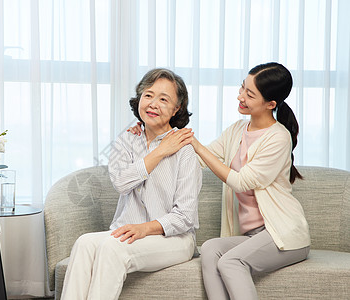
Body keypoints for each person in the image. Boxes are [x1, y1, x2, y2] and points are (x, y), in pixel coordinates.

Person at [129, 62, 311, 300]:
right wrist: (149, 136)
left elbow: (242, 181)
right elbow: (199, 160)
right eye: (242, 88)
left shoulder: (278, 138)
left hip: (282, 234)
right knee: (211, 249)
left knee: (231, 262)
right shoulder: (237, 130)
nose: (240, 96)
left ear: (271, 104)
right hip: (252, 235)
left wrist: (194, 143)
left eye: (250, 94)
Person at [60, 68, 202, 300]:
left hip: (174, 239)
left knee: (112, 248)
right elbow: (120, 182)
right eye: (148, 95)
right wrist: (159, 152)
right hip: (130, 231)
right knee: (85, 243)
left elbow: (184, 216)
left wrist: (144, 229)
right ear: (139, 98)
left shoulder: (185, 149)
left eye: (164, 99)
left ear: (177, 108)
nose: (153, 103)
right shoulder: (127, 139)